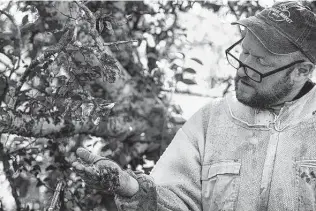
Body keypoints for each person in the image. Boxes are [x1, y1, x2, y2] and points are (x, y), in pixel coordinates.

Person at [72, 1, 316, 211]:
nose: (242, 68)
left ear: (301, 71)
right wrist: (134, 190)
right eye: (244, 52)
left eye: (261, 61)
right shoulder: (211, 121)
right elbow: (173, 200)